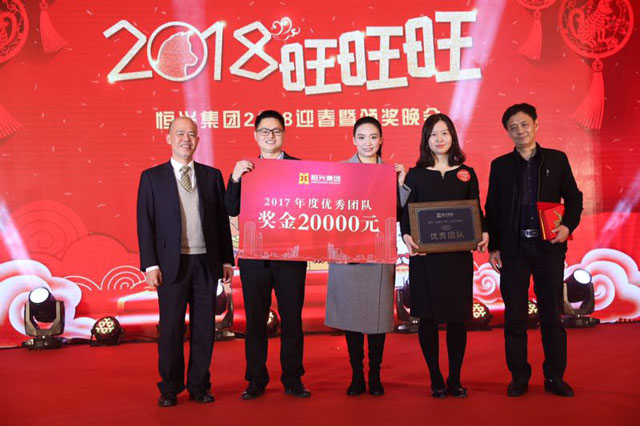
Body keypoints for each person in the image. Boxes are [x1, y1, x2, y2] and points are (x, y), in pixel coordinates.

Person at [485, 103, 583, 397]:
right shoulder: (500, 165)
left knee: (551, 314)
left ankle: (554, 376)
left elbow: (574, 198)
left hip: (548, 248)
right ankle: (519, 376)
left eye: (524, 124)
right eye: (513, 127)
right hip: (514, 250)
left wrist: (567, 226)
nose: (520, 131)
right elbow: (493, 208)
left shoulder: (556, 159)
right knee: (514, 316)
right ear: (507, 132)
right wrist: (495, 247)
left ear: (536, 124)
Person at [136, 116, 234, 407]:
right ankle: (169, 387)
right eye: (180, 133)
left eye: (191, 134)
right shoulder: (152, 177)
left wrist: (226, 259)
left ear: (198, 140)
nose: (186, 139)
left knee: (205, 328)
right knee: (170, 329)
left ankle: (199, 385)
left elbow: (221, 222)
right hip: (171, 265)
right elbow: (145, 223)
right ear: (169, 138)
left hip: (206, 262)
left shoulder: (211, 176)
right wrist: (150, 265)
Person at [401, 113, 488, 398]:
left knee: (456, 320)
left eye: (444, 133)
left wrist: (484, 232)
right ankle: (436, 378)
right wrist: (407, 236)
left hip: (457, 259)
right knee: (427, 320)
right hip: (425, 259)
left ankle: (455, 378)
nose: (439, 139)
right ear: (425, 140)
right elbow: (406, 214)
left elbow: (476, 209)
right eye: (433, 134)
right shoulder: (415, 175)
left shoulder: (467, 173)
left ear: (453, 136)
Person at [225, 110, 310, 399]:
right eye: (264, 131)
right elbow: (231, 208)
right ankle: (256, 379)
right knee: (255, 320)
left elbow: (311, 206)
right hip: (255, 258)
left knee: (292, 320)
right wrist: (235, 178)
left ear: (284, 134)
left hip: (291, 257)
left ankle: (293, 378)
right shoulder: (246, 169)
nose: (270, 136)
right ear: (255, 135)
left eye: (275, 131)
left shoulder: (300, 168)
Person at [324, 116, 409, 397]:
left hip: (378, 253)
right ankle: (356, 375)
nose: (368, 143)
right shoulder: (340, 172)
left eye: (373, 137)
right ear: (353, 140)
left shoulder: (390, 172)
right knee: (351, 316)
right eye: (362, 137)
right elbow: (327, 209)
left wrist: (401, 183)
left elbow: (399, 214)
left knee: (377, 316)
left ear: (381, 140)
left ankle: (375, 374)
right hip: (347, 253)